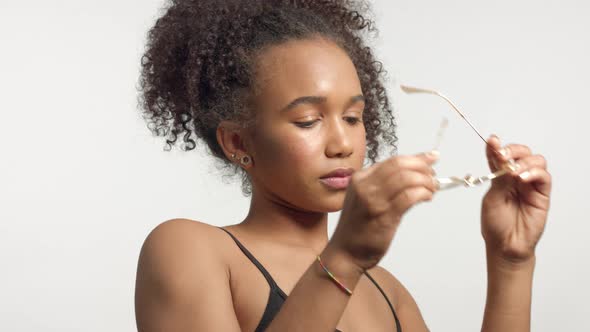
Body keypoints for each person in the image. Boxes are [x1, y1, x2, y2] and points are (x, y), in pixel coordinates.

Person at [133, 1, 552, 331]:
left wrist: (510, 261)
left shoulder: (389, 294)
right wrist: (345, 258)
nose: (343, 144)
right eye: (308, 121)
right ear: (238, 141)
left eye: (353, 118)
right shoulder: (189, 251)